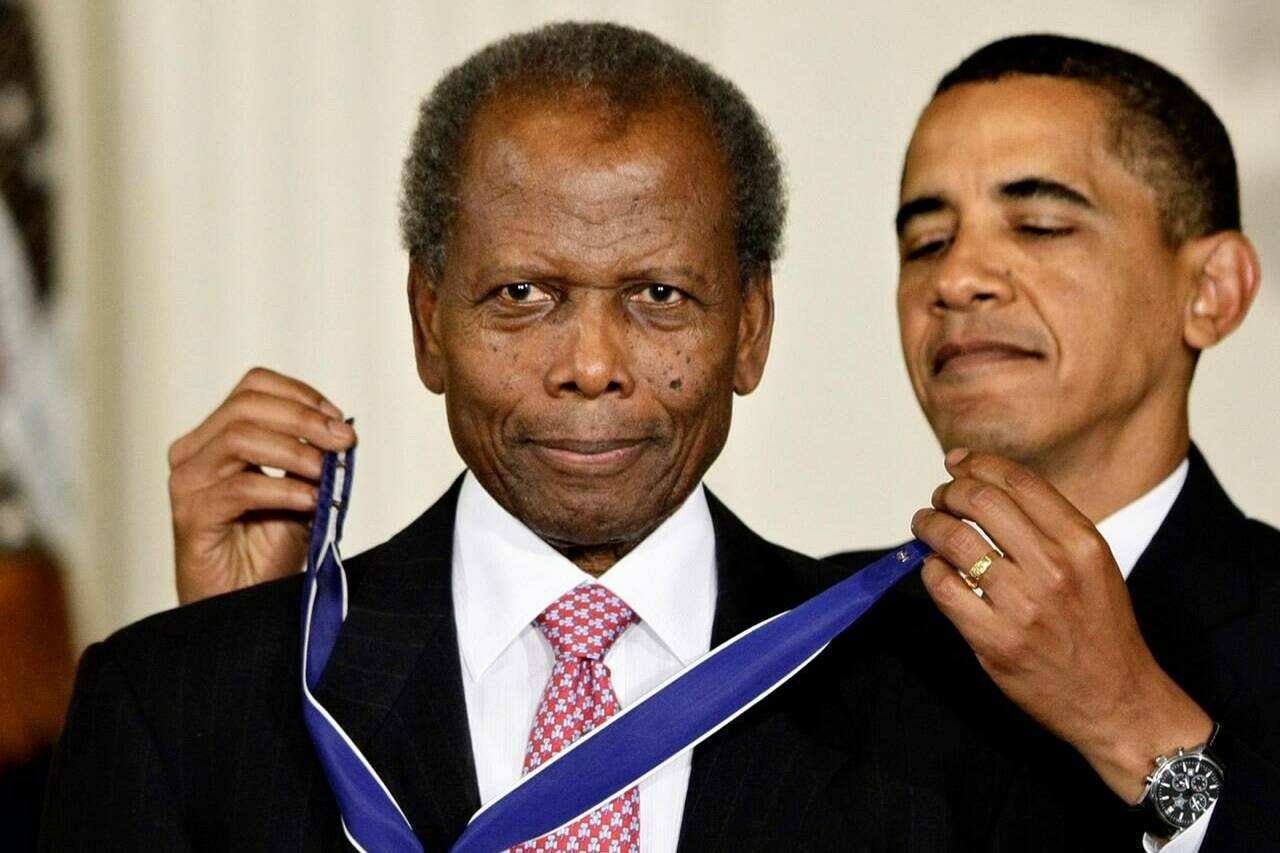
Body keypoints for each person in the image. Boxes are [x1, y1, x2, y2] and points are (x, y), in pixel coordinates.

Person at [40, 23, 1038, 852]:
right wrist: (251, 683)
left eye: (659, 295)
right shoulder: (176, 699)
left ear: (751, 326)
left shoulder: (930, 688)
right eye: (521, 295)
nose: (590, 363)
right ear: (428, 318)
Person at [833, 34, 1278, 851]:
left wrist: (1130, 717)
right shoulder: (810, 643)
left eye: (1037, 224)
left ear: (1211, 292)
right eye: (925, 242)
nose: (957, 278)